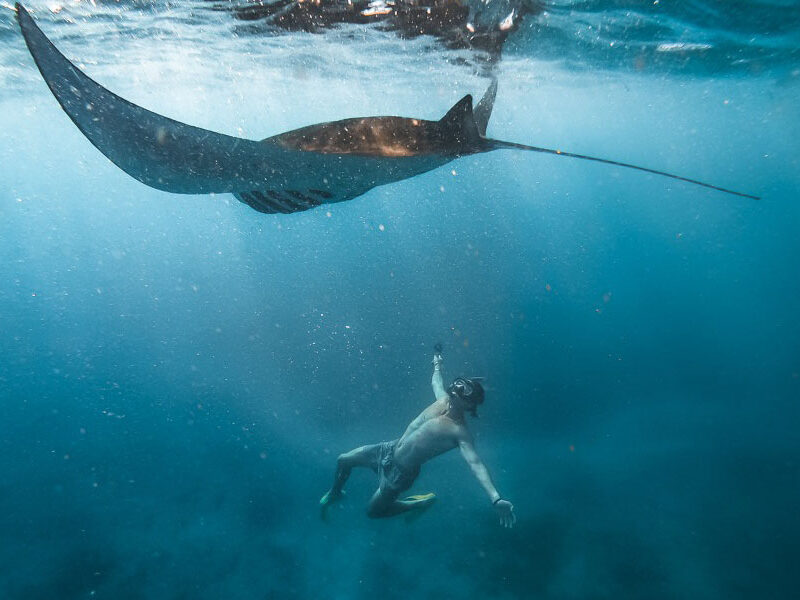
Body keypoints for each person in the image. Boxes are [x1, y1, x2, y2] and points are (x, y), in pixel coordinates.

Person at [320, 344, 516, 527]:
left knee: (373, 512)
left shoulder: (459, 432)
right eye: (460, 383)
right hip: (387, 450)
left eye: (464, 389)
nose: (458, 387)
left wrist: (495, 498)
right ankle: (336, 492)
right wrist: (437, 363)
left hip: (399, 475)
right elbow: (436, 382)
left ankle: (418, 504)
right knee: (343, 460)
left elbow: (476, 464)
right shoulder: (443, 400)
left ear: (469, 404)